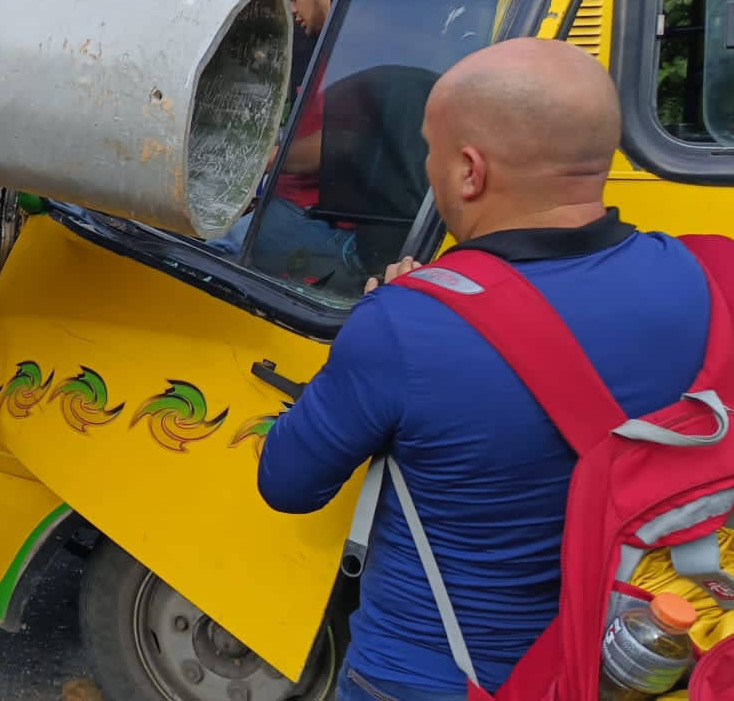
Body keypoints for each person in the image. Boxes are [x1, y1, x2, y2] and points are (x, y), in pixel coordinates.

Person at [255, 37, 712, 699]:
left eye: (429, 149)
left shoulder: (405, 327)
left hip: (434, 679)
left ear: (468, 171)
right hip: (627, 664)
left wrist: (386, 322)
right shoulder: (707, 276)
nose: (428, 166)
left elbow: (287, 482)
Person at [210, 0, 364, 278]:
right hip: (291, 205)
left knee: (188, 246)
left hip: (321, 225)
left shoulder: (357, 51)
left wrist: (256, 156)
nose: (290, 11)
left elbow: (344, 145)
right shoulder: (334, 47)